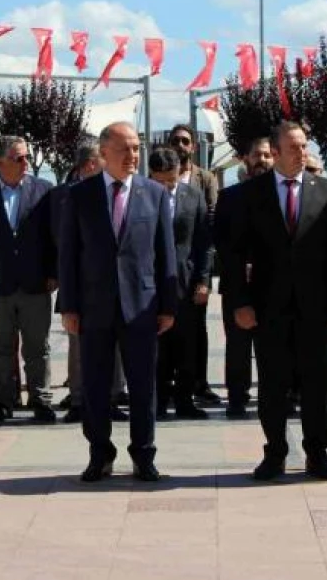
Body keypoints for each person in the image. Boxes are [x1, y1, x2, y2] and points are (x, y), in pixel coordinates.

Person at [227, 121, 327, 480]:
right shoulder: (252, 194)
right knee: (272, 382)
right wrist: (240, 302)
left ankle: (317, 453)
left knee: (315, 381)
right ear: (276, 152)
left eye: (304, 146)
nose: (302, 153)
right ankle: (275, 452)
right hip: (268, 305)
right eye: (294, 147)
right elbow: (235, 254)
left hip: (314, 304)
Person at [58, 121, 177, 483]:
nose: (133, 156)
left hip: (141, 306)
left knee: (143, 386)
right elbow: (69, 255)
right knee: (95, 386)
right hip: (94, 307)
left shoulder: (153, 194)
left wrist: (168, 306)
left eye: (136, 149)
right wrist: (69, 306)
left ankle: (144, 454)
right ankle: (100, 454)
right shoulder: (80, 195)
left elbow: (165, 252)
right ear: (104, 152)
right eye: (125, 149)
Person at [49, 138, 129, 424]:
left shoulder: (119, 191)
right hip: (83, 286)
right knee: (79, 348)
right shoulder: (66, 195)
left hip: (117, 287)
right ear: (92, 164)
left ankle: (112, 397)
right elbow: (63, 242)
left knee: (116, 347)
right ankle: (80, 398)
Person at [0, 136, 57, 424]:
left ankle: (41, 400)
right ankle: (4, 401)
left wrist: (53, 272)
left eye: (27, 157)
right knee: (1, 347)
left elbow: (53, 236)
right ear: (0, 162)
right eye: (19, 158)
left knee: (38, 347)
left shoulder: (43, 190)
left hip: (35, 283)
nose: (26, 163)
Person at [148, 147, 212, 419]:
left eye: (170, 181)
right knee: (158, 348)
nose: (166, 187)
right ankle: (158, 401)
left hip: (185, 284)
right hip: (151, 284)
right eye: (159, 181)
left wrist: (204, 280)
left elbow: (203, 243)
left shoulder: (194, 196)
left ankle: (185, 400)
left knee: (187, 345)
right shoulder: (141, 197)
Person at [214, 136, 272, 418]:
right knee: (237, 345)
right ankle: (237, 398)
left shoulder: (279, 193)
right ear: (246, 159)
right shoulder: (229, 197)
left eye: (266, 155)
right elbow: (222, 244)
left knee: (271, 345)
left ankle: (273, 396)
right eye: (256, 155)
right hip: (236, 283)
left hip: (271, 283)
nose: (261, 160)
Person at [167, 123, 220, 405]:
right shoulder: (157, 178)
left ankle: (198, 382)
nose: (180, 145)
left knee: (196, 330)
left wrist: (204, 278)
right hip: (167, 273)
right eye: (175, 140)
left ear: (193, 147)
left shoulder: (205, 179)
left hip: (193, 268)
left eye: (185, 141)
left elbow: (208, 223)